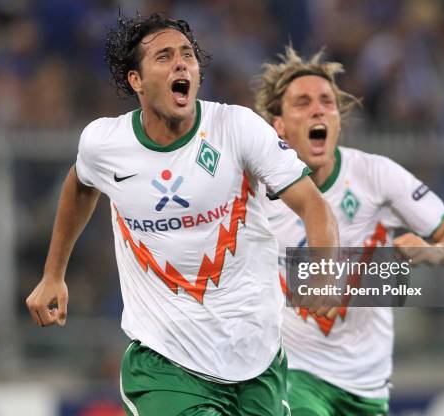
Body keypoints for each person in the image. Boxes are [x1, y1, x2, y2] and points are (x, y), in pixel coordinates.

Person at [25, 14, 339, 416]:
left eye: (187, 55)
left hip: (257, 357)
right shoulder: (105, 143)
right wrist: (54, 274)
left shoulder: (237, 128)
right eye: (164, 56)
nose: (181, 64)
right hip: (166, 361)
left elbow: (312, 204)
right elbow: (81, 184)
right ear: (136, 80)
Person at [254, 46, 444, 416]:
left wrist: (433, 252)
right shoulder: (255, 188)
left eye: (327, 101)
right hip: (291, 371)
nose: (318, 109)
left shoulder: (377, 174)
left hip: (366, 382)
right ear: (278, 124)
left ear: (339, 119)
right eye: (303, 102)